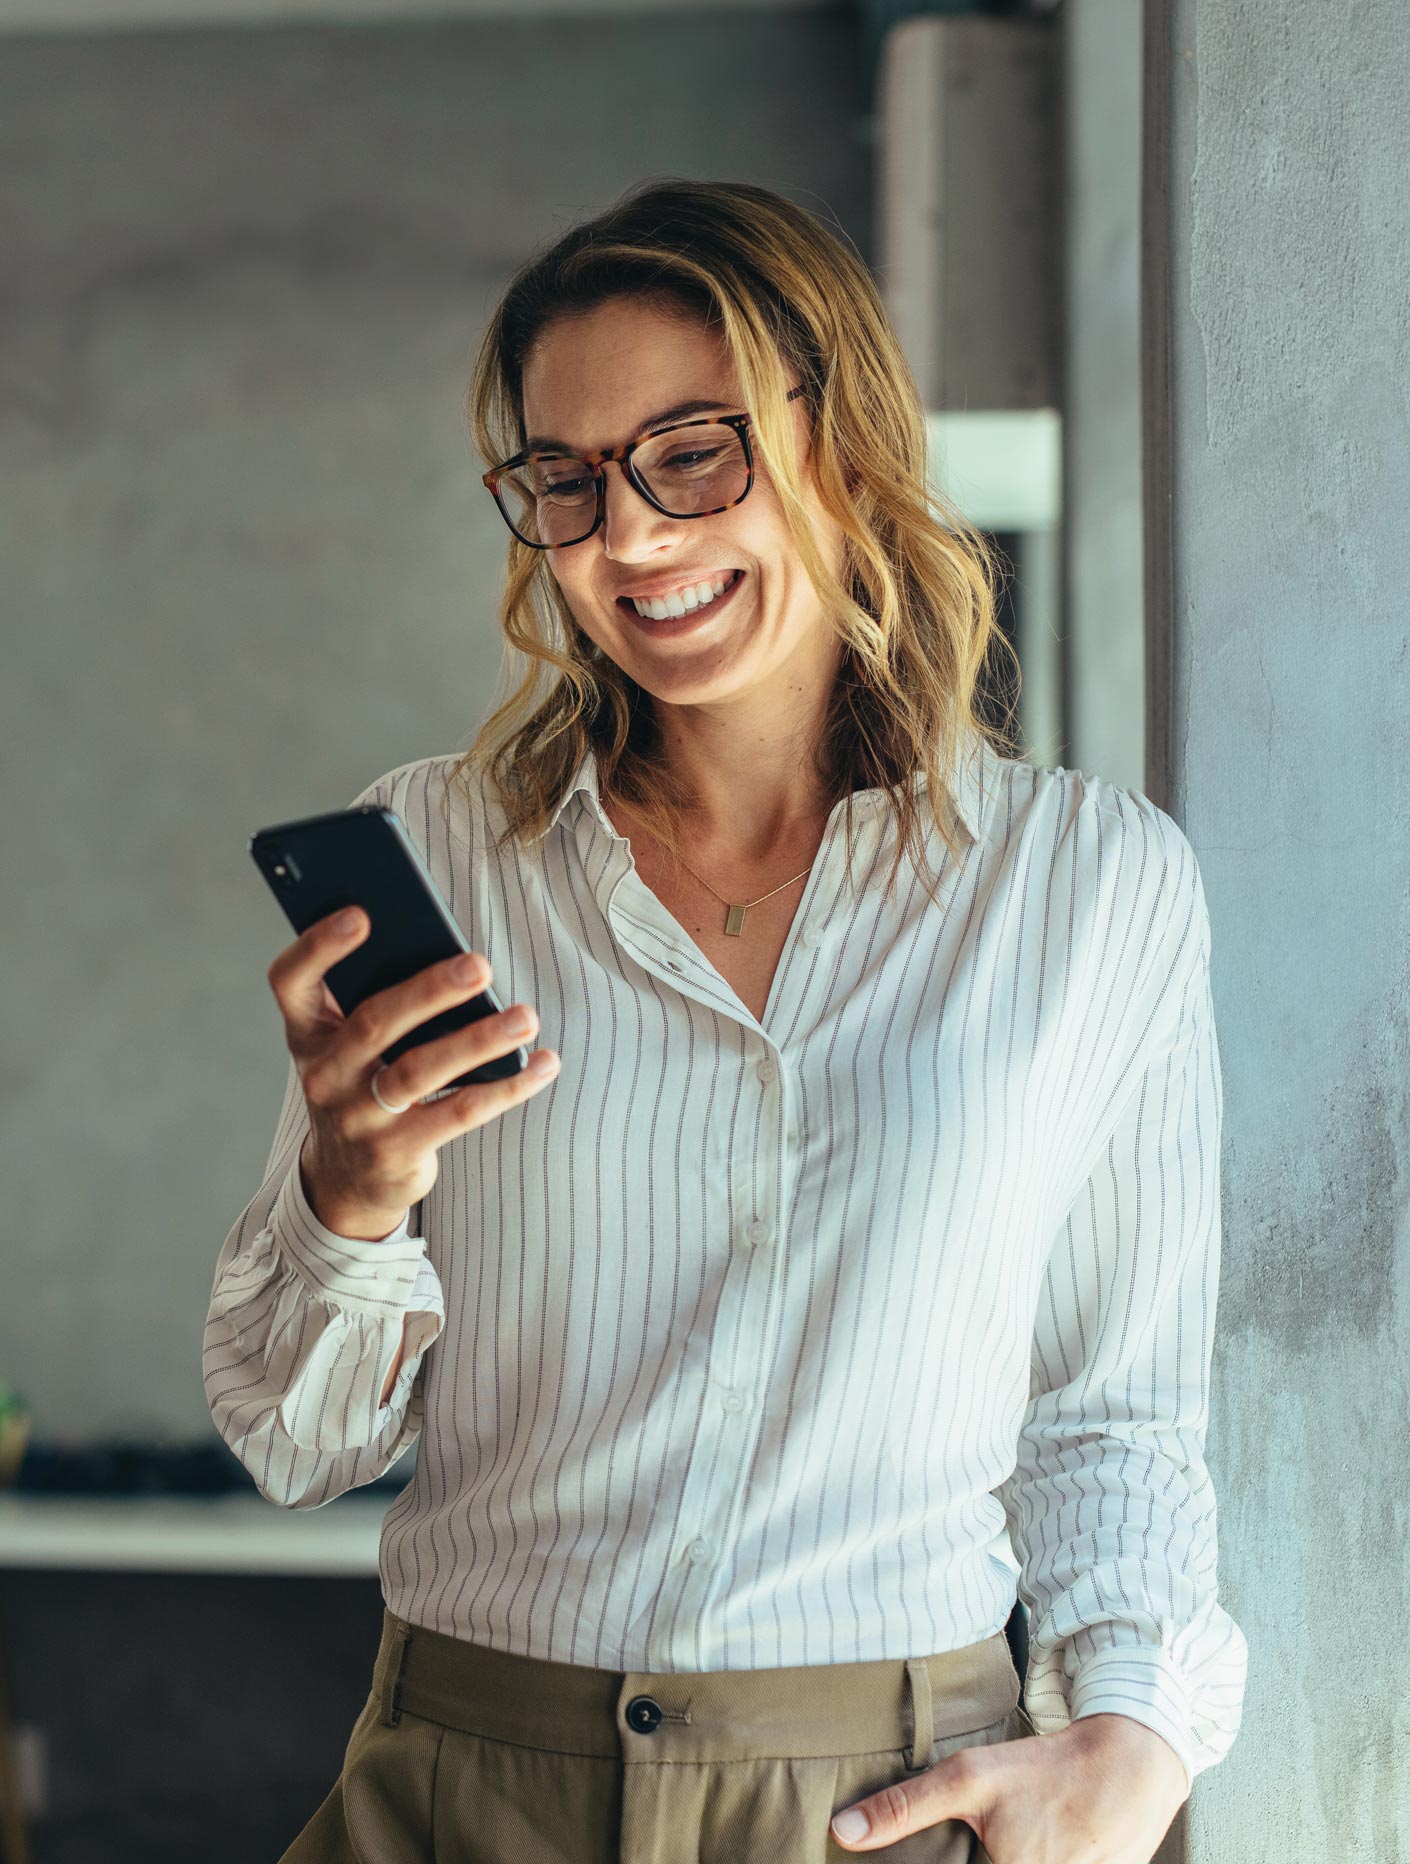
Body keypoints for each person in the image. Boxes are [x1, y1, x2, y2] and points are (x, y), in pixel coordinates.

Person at [204, 178, 1246, 1863]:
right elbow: (297, 1438)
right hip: (463, 1782)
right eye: (566, 480)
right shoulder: (447, 856)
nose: (625, 539)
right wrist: (350, 1194)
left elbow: (1109, 1413)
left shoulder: (1088, 885)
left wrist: (1133, 1741)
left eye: (693, 452)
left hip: (879, 1799)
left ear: (841, 441)